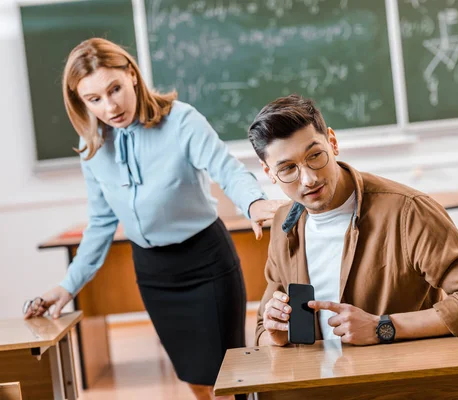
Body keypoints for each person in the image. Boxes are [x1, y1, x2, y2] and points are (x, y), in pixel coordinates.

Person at [23, 38, 285, 400]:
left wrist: (254, 203)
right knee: (193, 376)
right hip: (154, 275)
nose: (110, 106)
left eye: (114, 89)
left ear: (131, 75)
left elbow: (227, 170)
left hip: (206, 263)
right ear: (80, 102)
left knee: (228, 377)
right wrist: (66, 288)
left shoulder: (181, 121)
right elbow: (100, 224)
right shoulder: (93, 148)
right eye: (93, 99)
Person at [247, 94, 458, 347]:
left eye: (315, 156)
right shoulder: (285, 224)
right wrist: (276, 335)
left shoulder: (408, 211)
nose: (308, 179)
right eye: (288, 169)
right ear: (269, 173)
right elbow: (261, 331)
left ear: (333, 142)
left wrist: (382, 328)